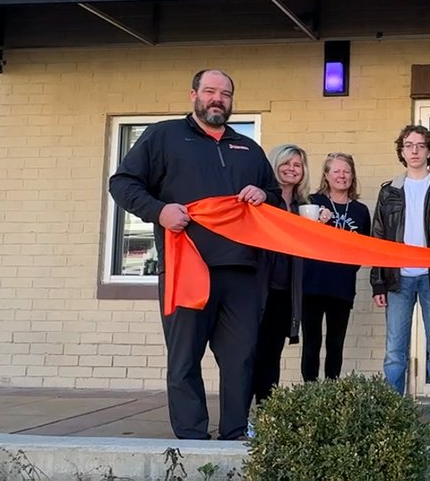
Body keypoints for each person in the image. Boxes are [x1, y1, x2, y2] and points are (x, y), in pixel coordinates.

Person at [108, 69, 280, 441]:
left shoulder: (249, 149)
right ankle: (192, 440)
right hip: (186, 266)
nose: (218, 99)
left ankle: (234, 434)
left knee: (241, 360)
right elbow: (121, 183)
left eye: (226, 94)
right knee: (184, 359)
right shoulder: (164, 136)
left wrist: (264, 195)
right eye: (210, 91)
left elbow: (277, 200)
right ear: (194, 95)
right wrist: (159, 211)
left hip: (242, 272)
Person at [370, 125, 430, 440]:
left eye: (421, 145)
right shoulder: (389, 190)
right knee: (395, 351)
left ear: (429, 150)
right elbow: (378, 237)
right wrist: (378, 283)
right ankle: (392, 416)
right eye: (409, 145)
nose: (415, 151)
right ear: (402, 151)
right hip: (398, 280)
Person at [251, 144, 332, 409]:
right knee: (252, 355)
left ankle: (265, 413)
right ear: (274, 165)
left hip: (286, 290)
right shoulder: (262, 199)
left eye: (297, 165)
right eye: (286, 163)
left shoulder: (302, 206)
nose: (292, 169)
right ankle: (239, 417)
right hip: (259, 289)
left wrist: (319, 227)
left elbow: (306, 248)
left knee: (272, 354)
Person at [301, 152, 371, 381]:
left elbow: (364, 246)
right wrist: (317, 224)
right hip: (312, 284)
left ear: (352, 176)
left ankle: (330, 394)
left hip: (342, 287)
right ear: (327, 176)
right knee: (311, 344)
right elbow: (299, 238)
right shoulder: (311, 202)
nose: (342, 176)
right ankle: (309, 395)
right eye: (336, 171)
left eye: (346, 171)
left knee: (335, 344)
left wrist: (348, 268)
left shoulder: (360, 211)